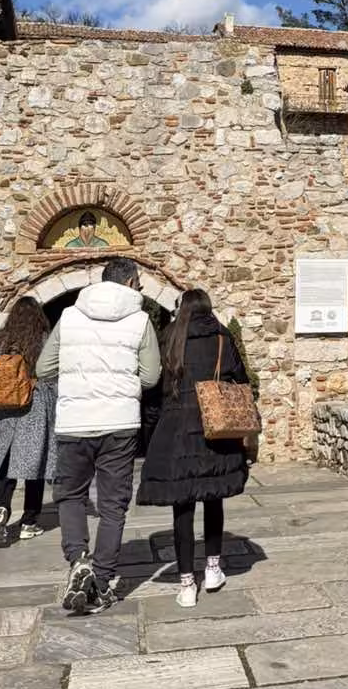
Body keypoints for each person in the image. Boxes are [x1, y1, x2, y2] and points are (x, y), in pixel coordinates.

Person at [36, 257, 161, 614]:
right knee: (112, 504)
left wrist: (77, 379)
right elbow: (151, 377)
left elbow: (44, 367)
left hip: (74, 421)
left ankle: (78, 560)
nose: (139, 289)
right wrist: (120, 384)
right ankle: (102, 581)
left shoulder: (70, 316)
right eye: (138, 283)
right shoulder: (141, 320)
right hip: (120, 422)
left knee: (71, 496)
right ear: (131, 281)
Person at [137, 288, 252, 607]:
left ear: (182, 308)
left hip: (177, 427)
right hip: (215, 427)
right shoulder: (221, 337)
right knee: (213, 499)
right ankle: (213, 568)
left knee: (182, 506)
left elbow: (156, 388)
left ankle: (187, 583)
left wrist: (153, 429)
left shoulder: (170, 335)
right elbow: (240, 379)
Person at [0, 297, 57, 547]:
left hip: (2, 408)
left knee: (4, 465)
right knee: (34, 465)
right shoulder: (42, 337)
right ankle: (29, 521)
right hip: (33, 405)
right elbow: (49, 372)